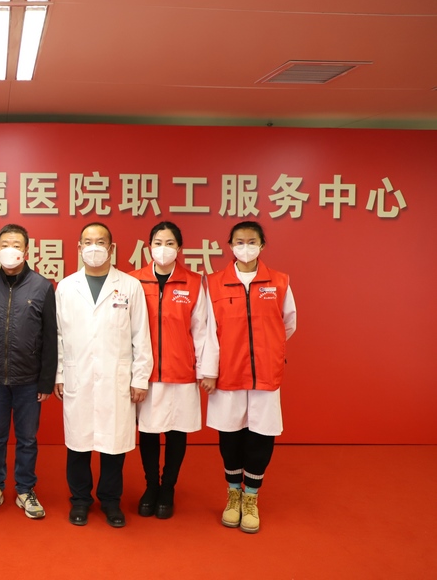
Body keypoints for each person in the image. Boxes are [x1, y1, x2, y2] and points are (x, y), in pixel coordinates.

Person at [54, 222, 153, 528]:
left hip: (116, 378)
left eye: (100, 242)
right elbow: (58, 335)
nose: (93, 247)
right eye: (87, 242)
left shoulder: (130, 286)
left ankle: (111, 501)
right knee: (78, 443)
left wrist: (140, 377)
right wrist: (59, 373)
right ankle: (80, 500)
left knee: (113, 445)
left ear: (111, 249)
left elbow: (141, 335)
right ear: (79, 248)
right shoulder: (66, 287)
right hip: (78, 375)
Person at [206, 221, 296, 534]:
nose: (246, 247)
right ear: (230, 246)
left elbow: (288, 324)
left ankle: (251, 497)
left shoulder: (280, 282)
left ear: (262, 245)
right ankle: (233, 494)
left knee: (261, 435)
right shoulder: (213, 284)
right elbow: (208, 331)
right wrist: (210, 370)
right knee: (230, 435)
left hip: (265, 374)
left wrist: (267, 350)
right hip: (228, 373)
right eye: (239, 241)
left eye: (252, 241)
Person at [129, 221, 219, 519]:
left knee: (177, 431)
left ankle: (168, 487)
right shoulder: (134, 281)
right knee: (149, 431)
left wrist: (207, 370)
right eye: (158, 242)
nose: (163, 249)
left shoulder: (193, 282)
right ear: (149, 247)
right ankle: (151, 486)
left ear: (179, 248)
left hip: (181, 371)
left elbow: (202, 330)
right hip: (146, 373)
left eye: (169, 243)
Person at [0, 224, 57, 519]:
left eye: (16, 245)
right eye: (4, 244)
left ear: (26, 251)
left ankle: (25, 489)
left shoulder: (42, 286)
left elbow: (50, 337)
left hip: (29, 380)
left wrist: (46, 380)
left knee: (27, 438)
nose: (10, 250)